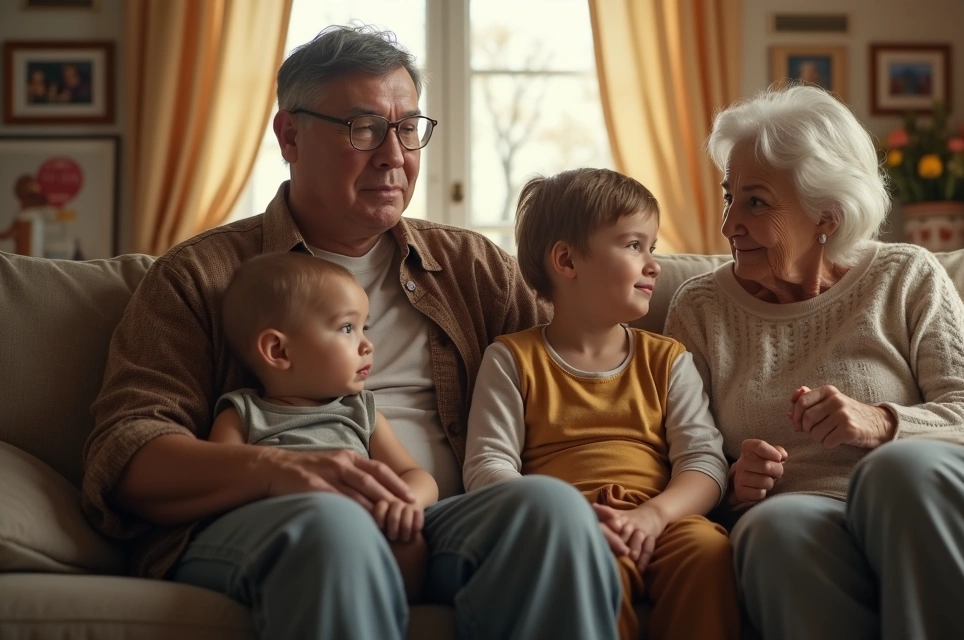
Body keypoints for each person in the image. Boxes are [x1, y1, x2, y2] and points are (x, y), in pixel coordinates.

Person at [83, 25, 620, 640]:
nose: (394, 155)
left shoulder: (475, 269)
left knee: (550, 510)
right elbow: (124, 452)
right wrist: (278, 472)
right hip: (272, 521)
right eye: (362, 129)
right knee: (335, 525)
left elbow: (572, 385)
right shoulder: (200, 277)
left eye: (408, 128)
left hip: (433, 522)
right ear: (289, 135)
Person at [664, 84, 964, 639]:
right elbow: (687, 454)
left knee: (893, 468)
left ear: (827, 216)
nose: (728, 225)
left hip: (941, 495)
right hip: (815, 515)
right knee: (770, 531)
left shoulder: (904, 275)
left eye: (756, 201)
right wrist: (735, 485)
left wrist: (883, 423)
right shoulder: (700, 308)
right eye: (728, 197)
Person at [463, 168, 737, 640]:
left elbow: (704, 461)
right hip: (569, 528)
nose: (654, 264)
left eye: (653, 247)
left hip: (663, 518)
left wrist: (654, 516)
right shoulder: (511, 359)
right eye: (634, 246)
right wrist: (560, 519)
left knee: (708, 552)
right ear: (566, 261)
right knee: (590, 567)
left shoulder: (667, 359)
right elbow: (487, 465)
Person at [211, 252, 438, 603]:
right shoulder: (242, 413)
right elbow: (223, 482)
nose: (367, 344)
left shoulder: (360, 411)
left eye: (365, 327)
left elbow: (413, 473)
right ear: (278, 350)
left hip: (369, 525)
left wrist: (406, 502)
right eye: (348, 328)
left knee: (409, 542)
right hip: (294, 530)